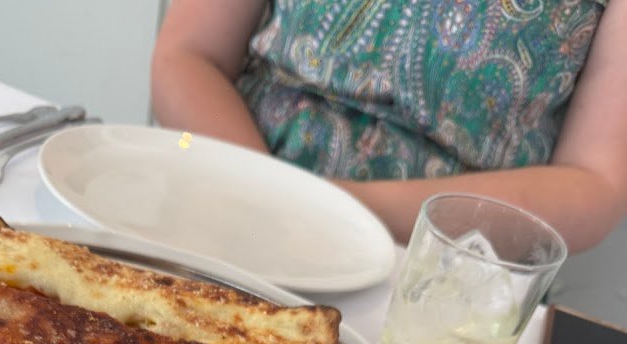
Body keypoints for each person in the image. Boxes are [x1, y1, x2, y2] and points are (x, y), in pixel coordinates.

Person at [151, 0, 627, 253]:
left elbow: (595, 183)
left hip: (443, 266)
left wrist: (332, 214)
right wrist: (263, 200)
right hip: (227, 196)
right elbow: (188, 56)